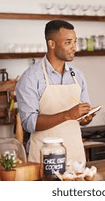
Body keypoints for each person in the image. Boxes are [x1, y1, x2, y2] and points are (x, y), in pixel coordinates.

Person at [16, 20, 95, 164]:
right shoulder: (30, 78)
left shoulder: (78, 75)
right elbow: (29, 123)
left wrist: (86, 118)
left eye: (75, 42)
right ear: (51, 44)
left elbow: (81, 115)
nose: (74, 48)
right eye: (68, 43)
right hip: (44, 159)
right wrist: (67, 115)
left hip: (75, 157)